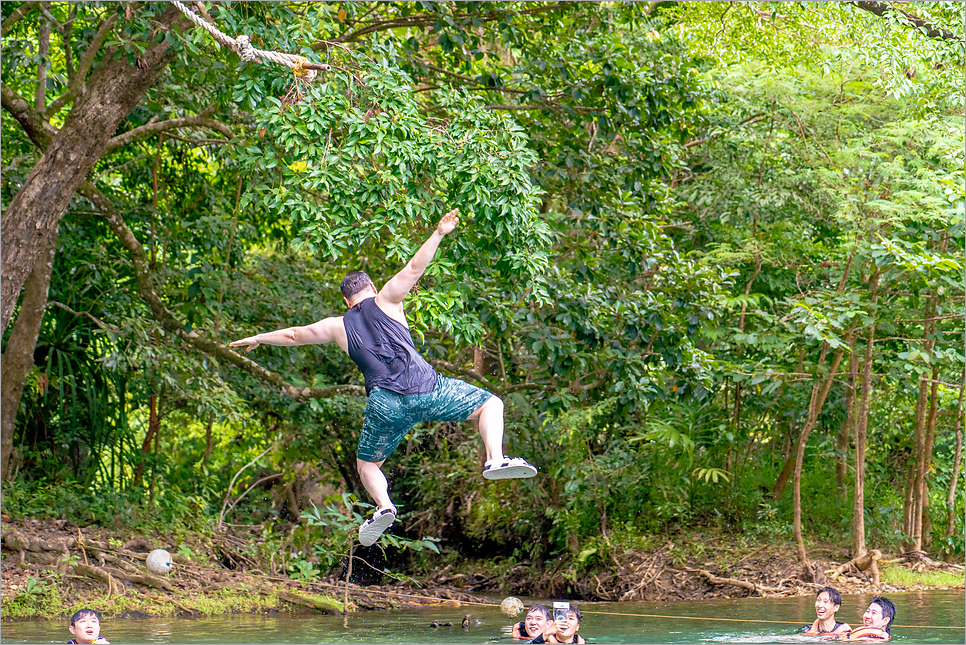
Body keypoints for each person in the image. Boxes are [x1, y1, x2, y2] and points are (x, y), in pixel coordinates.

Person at [230, 209, 537, 546]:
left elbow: (294, 335)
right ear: (372, 288)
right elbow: (414, 268)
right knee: (491, 404)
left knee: (367, 466)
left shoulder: (337, 325)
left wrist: (259, 338)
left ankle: (384, 507)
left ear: (346, 301)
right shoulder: (388, 298)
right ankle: (494, 459)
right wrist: (438, 233)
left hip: (385, 404)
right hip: (428, 389)